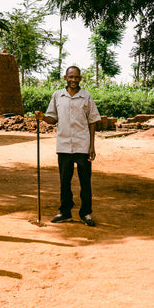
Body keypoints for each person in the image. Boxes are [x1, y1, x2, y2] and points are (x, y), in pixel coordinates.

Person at [35, 66, 101, 226]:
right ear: (65, 78)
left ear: (80, 78)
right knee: (64, 181)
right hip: (64, 145)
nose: (73, 80)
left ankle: (86, 213)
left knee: (85, 181)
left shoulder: (86, 97)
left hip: (82, 145)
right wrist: (42, 117)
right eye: (70, 77)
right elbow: (52, 118)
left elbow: (92, 121)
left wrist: (92, 146)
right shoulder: (58, 96)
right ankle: (65, 211)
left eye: (76, 77)